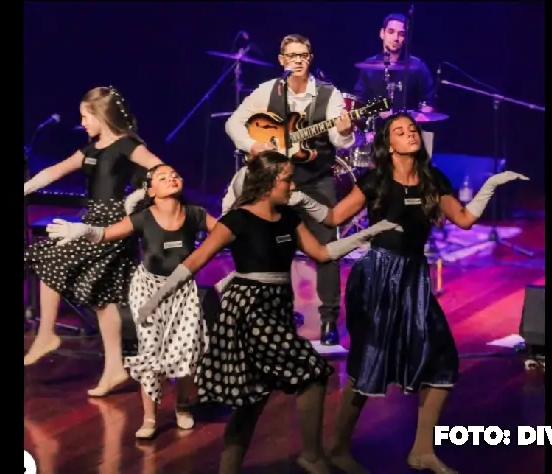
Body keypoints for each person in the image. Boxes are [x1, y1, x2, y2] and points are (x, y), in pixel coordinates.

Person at [135, 151, 400, 474]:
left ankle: (228, 469)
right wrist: (155, 299)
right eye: (288, 179)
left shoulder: (288, 217)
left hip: (277, 307)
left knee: (253, 397)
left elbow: (322, 253)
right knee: (313, 373)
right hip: (249, 309)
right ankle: (312, 455)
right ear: (268, 182)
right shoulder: (237, 219)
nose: (293, 186)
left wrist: (371, 232)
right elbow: (194, 261)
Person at [311, 113, 527, 474]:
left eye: (412, 129)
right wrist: (295, 194)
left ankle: (422, 450)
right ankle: (336, 448)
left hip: (414, 277)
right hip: (378, 276)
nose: (410, 134)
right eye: (400, 131)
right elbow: (333, 219)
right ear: (388, 143)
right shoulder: (376, 180)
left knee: (442, 358)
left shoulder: (431, 178)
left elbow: (464, 219)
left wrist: (490, 185)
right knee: (369, 362)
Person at [46, 164, 213, 439]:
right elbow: (105, 234)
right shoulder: (143, 217)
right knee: (150, 355)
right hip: (147, 291)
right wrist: (81, 230)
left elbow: (225, 235)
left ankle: (183, 406)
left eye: (175, 174)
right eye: (162, 176)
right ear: (150, 190)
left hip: (184, 292)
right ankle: (149, 418)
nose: (171, 177)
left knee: (187, 354)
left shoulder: (196, 215)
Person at [23, 86, 162, 398]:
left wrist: (137, 197)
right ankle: (114, 368)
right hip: (93, 219)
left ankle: (46, 334)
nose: (82, 122)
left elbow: (162, 171)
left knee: (49, 258)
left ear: (101, 115)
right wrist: (26, 187)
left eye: (86, 116)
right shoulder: (92, 148)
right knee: (103, 298)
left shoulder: (127, 145)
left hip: (113, 222)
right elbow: (55, 170)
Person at [223, 33, 355, 347]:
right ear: (282, 60)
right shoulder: (269, 90)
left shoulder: (329, 95)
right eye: (292, 55)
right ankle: (275, 315)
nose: (298, 60)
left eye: (304, 55)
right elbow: (233, 123)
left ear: (311, 58)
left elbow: (340, 141)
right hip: (273, 183)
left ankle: (328, 321)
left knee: (326, 250)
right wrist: (252, 146)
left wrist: (346, 130)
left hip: (315, 180)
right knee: (269, 247)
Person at [354, 13, 437, 115]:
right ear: (382, 33)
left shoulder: (418, 67)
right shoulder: (368, 67)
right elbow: (359, 101)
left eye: (401, 34)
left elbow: (429, 102)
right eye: (391, 32)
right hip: (377, 128)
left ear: (406, 38)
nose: (396, 38)